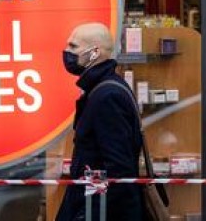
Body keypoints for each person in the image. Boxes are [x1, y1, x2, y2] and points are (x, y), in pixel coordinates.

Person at [56, 23, 143, 221]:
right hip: (91, 205)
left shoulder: (106, 96)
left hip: (98, 210)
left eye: (73, 46)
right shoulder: (102, 89)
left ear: (94, 52)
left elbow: (118, 168)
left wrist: (88, 213)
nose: (67, 52)